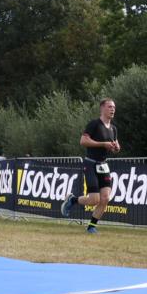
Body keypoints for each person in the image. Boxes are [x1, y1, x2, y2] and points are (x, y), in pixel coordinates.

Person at [61, 98, 121, 234]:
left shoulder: (113, 129)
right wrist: (102, 144)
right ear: (102, 108)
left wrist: (116, 147)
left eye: (114, 107)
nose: (112, 109)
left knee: (105, 199)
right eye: (109, 107)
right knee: (94, 200)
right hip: (91, 163)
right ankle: (73, 200)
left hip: (103, 165)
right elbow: (83, 141)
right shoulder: (94, 124)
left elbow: (116, 145)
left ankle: (91, 227)